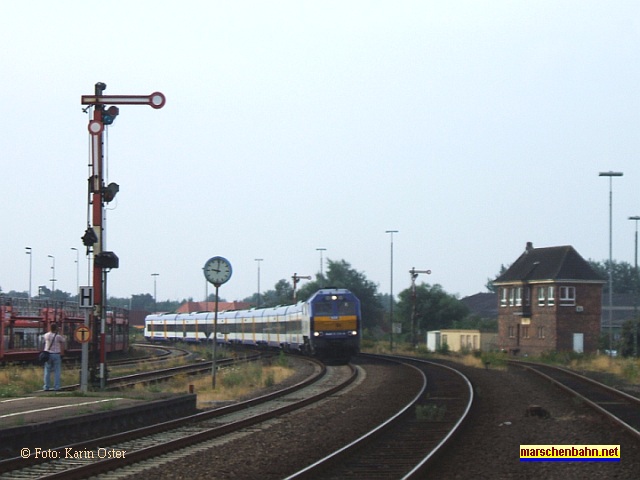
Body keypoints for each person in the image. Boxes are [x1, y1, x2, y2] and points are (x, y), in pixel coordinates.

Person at [42, 323, 66, 391]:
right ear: (56, 328)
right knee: (57, 371)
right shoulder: (58, 336)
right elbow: (63, 340)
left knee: (47, 371)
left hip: (48, 354)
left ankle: (46, 387)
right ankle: (57, 387)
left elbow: (43, 340)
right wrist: (61, 332)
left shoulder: (46, 335)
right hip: (56, 354)